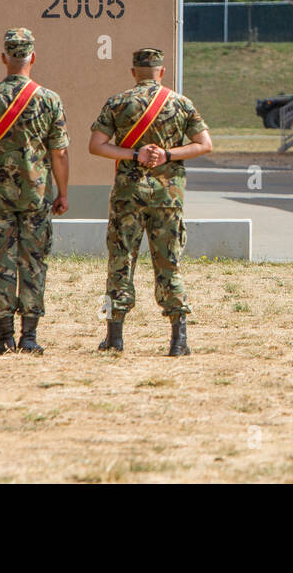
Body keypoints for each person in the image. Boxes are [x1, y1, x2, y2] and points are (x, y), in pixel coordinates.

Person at [89, 47, 213, 356]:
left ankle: (114, 337)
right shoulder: (180, 103)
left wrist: (134, 154)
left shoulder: (118, 103)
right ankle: (178, 340)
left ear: (134, 72)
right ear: (161, 71)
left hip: (127, 197)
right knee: (168, 263)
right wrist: (168, 154)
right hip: (167, 196)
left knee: (120, 261)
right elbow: (205, 144)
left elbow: (97, 145)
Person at [0, 28, 69, 355]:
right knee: (33, 263)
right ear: (32, 57)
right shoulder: (49, 99)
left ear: (4, 58)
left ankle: (4, 335)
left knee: (2, 262)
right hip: (36, 197)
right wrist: (62, 193)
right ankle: (30, 337)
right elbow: (59, 153)